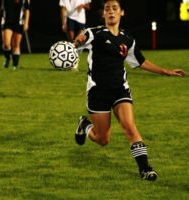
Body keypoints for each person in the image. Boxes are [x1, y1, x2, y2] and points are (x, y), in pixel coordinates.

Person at [74, 0, 186, 181]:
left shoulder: (128, 40)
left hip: (120, 90)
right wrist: (78, 40)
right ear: (103, 14)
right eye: (107, 9)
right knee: (103, 139)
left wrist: (166, 71)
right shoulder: (94, 33)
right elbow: (82, 37)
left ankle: (145, 169)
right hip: (98, 92)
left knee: (130, 128)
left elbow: (141, 62)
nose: (110, 11)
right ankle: (85, 126)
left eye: (114, 8)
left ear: (122, 13)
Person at [0, 0, 30, 69]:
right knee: (6, 44)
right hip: (7, 21)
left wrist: (26, 23)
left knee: (16, 44)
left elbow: (27, 9)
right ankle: (7, 58)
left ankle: (15, 66)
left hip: (19, 22)